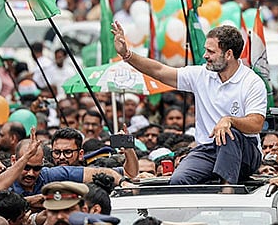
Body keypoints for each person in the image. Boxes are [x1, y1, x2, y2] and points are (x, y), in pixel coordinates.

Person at [111, 22, 266, 185]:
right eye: (206, 50)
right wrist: (127, 54)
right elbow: (159, 71)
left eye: (211, 52)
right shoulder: (201, 74)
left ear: (228, 54)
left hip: (245, 152)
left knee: (227, 133)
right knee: (178, 182)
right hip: (208, 150)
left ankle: (227, 191)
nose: (205, 55)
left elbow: (256, 123)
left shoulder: (251, 82)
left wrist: (230, 120)